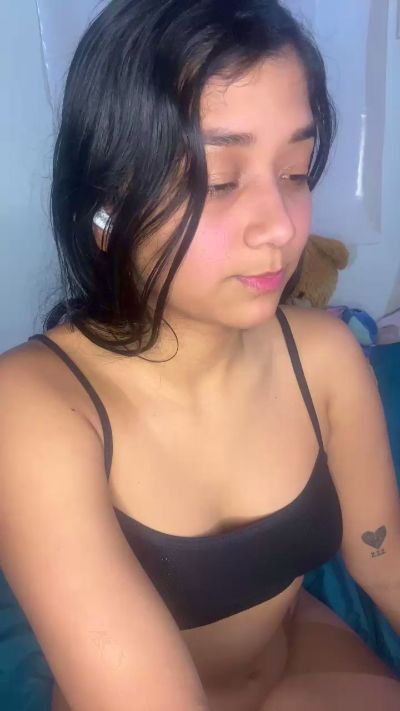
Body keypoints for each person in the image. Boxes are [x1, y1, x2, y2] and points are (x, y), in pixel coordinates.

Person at [1, 1, 399, 709]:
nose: (281, 228)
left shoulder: (327, 356)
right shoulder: (32, 408)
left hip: (301, 654)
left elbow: (385, 562)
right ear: (108, 206)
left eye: (296, 171)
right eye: (218, 181)